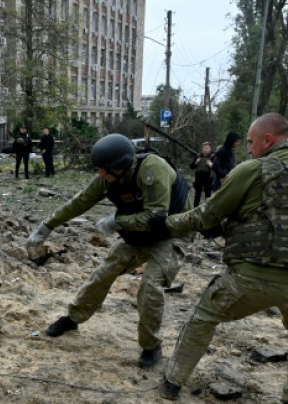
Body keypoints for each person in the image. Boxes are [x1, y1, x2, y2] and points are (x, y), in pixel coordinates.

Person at [149, 113, 288, 404]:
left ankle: (172, 383)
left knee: (204, 316)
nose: (249, 149)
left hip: (254, 278)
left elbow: (206, 214)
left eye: (251, 142)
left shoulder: (253, 169)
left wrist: (165, 224)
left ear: (268, 140)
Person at [26, 134, 189, 368]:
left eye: (103, 169)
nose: (100, 174)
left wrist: (117, 221)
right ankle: (73, 318)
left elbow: (156, 217)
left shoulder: (152, 170)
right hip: (139, 235)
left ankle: (151, 345)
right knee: (103, 273)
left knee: (150, 287)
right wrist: (46, 227)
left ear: (120, 165)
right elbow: (80, 201)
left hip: (171, 234)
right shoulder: (110, 176)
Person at [190, 142, 214, 207]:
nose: (206, 149)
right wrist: (196, 162)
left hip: (207, 178)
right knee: (197, 195)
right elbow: (191, 167)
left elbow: (216, 168)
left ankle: (207, 209)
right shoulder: (198, 156)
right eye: (204, 148)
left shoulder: (212, 157)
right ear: (202, 149)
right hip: (198, 177)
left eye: (207, 148)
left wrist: (211, 165)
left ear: (210, 149)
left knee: (208, 195)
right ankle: (195, 209)